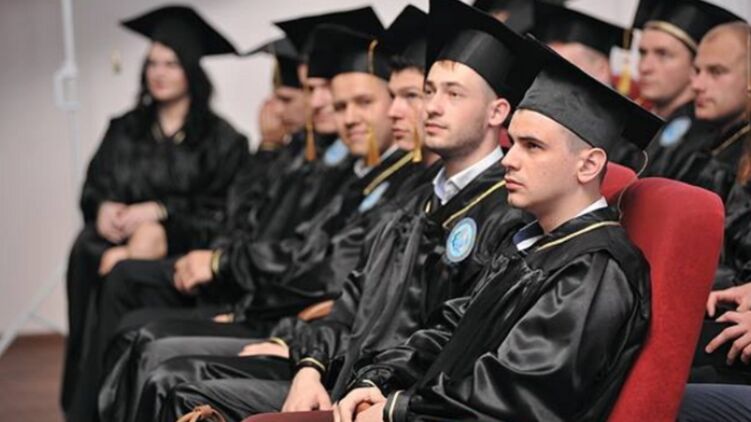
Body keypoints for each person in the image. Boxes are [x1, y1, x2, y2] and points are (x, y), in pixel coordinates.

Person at [157, 2, 540, 420]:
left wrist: (372, 383)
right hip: (341, 375)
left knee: (181, 384)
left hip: (393, 403)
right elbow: (351, 299)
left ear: (497, 112)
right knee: (182, 388)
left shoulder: (506, 212)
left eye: (453, 94)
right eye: (428, 91)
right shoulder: (415, 195)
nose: (430, 106)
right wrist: (311, 364)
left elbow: (449, 336)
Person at [333, 9, 664, 421]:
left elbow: (516, 397)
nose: (509, 158)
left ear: (589, 165)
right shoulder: (528, 243)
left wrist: (398, 410)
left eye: (532, 146)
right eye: (515, 141)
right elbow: (450, 330)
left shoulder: (594, 269)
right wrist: (377, 381)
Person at [61, 5, 249, 419]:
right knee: (85, 250)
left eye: (171, 64)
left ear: (191, 72)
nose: (159, 73)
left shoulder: (221, 140)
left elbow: (222, 211)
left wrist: (161, 212)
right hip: (111, 243)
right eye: (152, 64)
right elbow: (93, 188)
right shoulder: (124, 129)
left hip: (175, 247)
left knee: (128, 271)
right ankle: (84, 400)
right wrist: (103, 207)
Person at [633, 0, 742, 179]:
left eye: (663, 54)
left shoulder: (705, 141)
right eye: (642, 53)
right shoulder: (635, 120)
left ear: (693, 63)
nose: (645, 67)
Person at [531, 1, 641, 170]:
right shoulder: (534, 115)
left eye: (568, 69)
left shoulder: (628, 138)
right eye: (550, 70)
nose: (554, 82)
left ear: (602, 69)